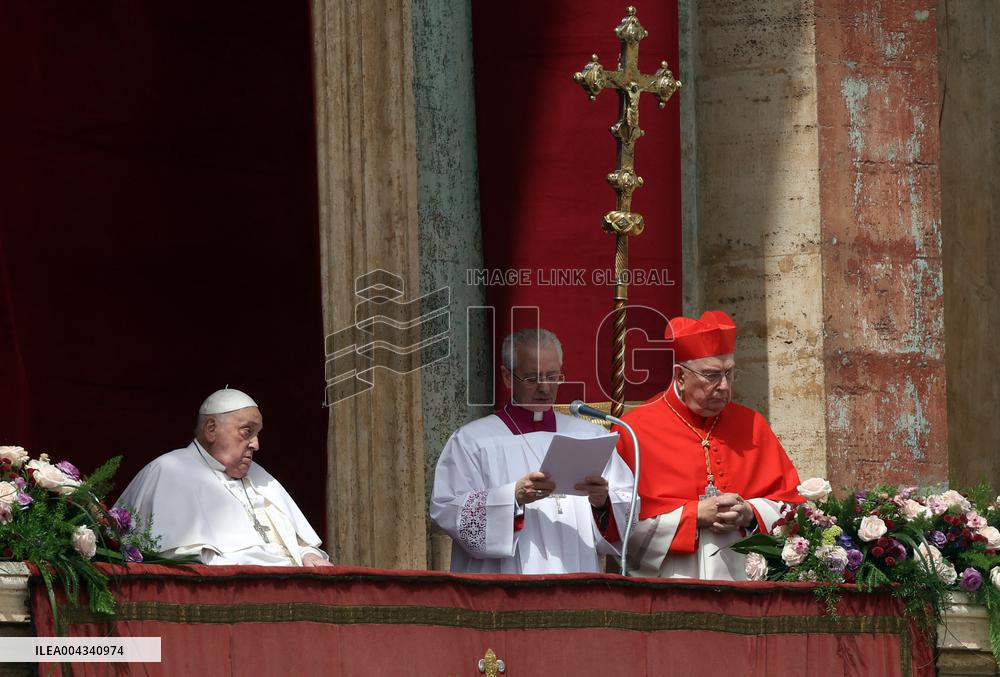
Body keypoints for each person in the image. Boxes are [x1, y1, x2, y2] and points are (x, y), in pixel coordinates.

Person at [614, 311, 802, 580]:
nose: (724, 386)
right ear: (680, 376)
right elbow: (616, 528)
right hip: (672, 582)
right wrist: (693, 516)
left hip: (747, 581)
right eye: (712, 375)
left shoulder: (752, 424)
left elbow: (793, 506)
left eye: (729, 373)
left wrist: (750, 513)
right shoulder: (634, 430)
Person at [430, 328, 635, 574]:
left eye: (552, 376)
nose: (545, 388)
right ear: (507, 377)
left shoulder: (591, 436)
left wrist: (603, 503)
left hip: (577, 578)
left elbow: (628, 507)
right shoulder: (472, 441)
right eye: (532, 378)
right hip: (506, 585)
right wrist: (512, 497)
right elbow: (449, 510)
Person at [116, 388, 333, 567]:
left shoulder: (260, 476)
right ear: (211, 429)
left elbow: (296, 541)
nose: (256, 444)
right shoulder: (168, 471)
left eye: (257, 434)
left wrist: (306, 554)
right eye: (247, 431)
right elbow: (179, 555)